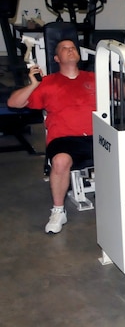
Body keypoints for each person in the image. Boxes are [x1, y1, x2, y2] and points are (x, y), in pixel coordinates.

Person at [7, 39, 96, 234]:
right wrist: (33, 85)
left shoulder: (94, 78)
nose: (70, 50)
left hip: (97, 136)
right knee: (60, 161)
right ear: (56, 58)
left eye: (73, 47)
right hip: (64, 138)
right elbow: (13, 103)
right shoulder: (48, 83)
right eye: (64, 48)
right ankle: (58, 211)